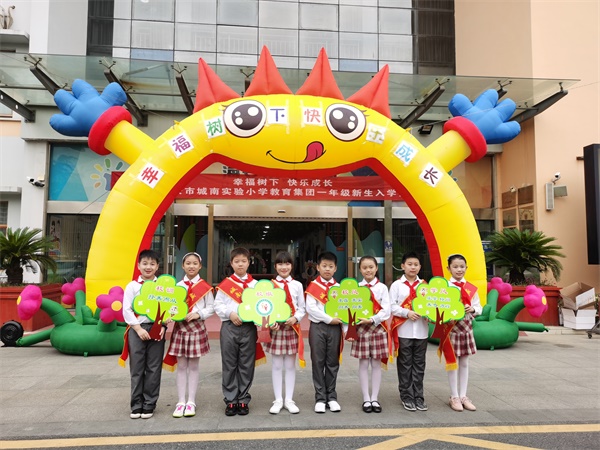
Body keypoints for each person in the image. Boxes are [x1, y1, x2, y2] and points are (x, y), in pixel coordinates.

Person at [214, 247, 264, 416]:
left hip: (249, 328)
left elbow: (262, 306)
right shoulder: (225, 284)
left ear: (249, 263)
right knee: (229, 364)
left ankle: (243, 399)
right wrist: (230, 313)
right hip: (229, 326)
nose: (240, 264)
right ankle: (230, 400)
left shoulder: (255, 285)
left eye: (243, 261)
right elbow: (218, 305)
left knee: (246, 364)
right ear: (231, 263)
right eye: (237, 261)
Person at [163, 252, 214, 418]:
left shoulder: (205, 287)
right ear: (183, 266)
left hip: (197, 327)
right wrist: (170, 315)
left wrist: (199, 313)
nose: (191, 266)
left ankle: (191, 401)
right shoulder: (177, 287)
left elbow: (211, 307)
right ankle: (180, 402)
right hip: (180, 328)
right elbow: (170, 306)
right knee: (181, 366)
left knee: (193, 366)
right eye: (188, 263)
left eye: (195, 263)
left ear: (200, 266)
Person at [120, 249, 165, 419]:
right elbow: (126, 309)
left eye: (152, 264)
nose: (148, 267)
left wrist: (163, 325)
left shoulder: (162, 286)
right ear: (138, 266)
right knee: (137, 367)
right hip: (136, 329)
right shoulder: (132, 286)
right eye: (145, 263)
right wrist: (138, 329)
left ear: (157, 266)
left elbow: (167, 307)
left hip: (156, 328)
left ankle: (149, 404)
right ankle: (136, 404)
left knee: (154, 367)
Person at [265, 251, 306, 414]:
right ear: (275, 266)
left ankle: (289, 399)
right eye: (280, 264)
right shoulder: (269, 285)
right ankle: (278, 400)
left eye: (287, 264)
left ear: (292, 266)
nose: (284, 267)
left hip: (291, 328)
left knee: (290, 365)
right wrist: (269, 322)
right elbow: (264, 307)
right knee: (276, 365)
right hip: (276, 330)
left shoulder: (297, 285)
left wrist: (296, 318)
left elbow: (302, 307)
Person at [389, 252, 429, 412]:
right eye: (410, 264)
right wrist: (407, 313)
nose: (413, 267)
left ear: (420, 267)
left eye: (416, 264)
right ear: (403, 266)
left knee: (419, 365)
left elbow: (431, 305)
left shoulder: (425, 286)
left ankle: (419, 396)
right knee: (405, 365)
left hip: (421, 331)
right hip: (403, 330)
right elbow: (392, 306)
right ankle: (406, 396)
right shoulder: (396, 285)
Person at [351, 256, 391, 414]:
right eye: (364, 267)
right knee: (363, 364)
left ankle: (375, 398)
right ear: (360, 270)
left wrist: (373, 319)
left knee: (376, 364)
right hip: (361, 329)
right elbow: (350, 308)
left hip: (378, 328)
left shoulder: (382, 288)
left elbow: (386, 310)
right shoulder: (356, 288)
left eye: (371, 267)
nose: (368, 270)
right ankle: (366, 398)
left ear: (376, 268)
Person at [305, 251, 343, 413]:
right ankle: (320, 398)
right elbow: (311, 309)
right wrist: (329, 319)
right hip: (318, 327)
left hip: (335, 328)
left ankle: (332, 397)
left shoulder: (340, 288)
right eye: (324, 266)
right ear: (318, 268)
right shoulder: (313, 286)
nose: (327, 269)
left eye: (331, 266)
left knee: (332, 362)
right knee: (318, 362)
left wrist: (347, 330)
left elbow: (344, 310)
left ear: (335, 268)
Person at [445, 253, 482, 412]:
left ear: (466, 267)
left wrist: (472, 309)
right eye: (455, 267)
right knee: (452, 362)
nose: (459, 270)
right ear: (449, 268)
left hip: (466, 327)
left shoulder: (471, 288)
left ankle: (463, 396)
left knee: (465, 362)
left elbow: (479, 307)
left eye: (462, 267)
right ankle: (454, 396)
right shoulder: (444, 287)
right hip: (451, 328)